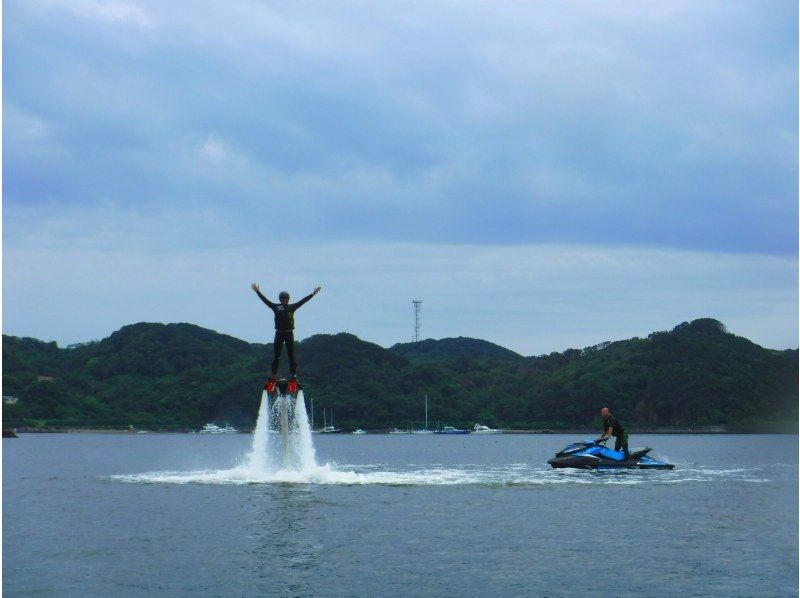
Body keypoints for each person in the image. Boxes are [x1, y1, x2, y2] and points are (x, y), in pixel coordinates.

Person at [251, 283, 321, 380]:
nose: (285, 300)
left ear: (288, 299)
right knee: (277, 356)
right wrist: (257, 292)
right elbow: (265, 301)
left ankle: (293, 374)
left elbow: (302, 301)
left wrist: (313, 294)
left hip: (289, 334)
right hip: (279, 333)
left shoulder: (292, 307)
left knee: (291, 355)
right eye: (284, 299)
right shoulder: (276, 307)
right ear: (281, 299)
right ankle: (273, 374)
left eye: (286, 298)